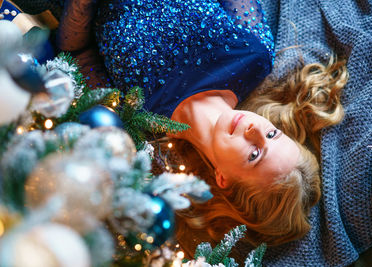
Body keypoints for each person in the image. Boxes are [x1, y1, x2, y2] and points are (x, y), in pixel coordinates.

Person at [59, 0, 348, 257]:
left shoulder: (138, 122)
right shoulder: (254, 55)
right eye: (273, 134)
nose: (254, 129)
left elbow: (76, 51)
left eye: (254, 154)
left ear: (223, 179)